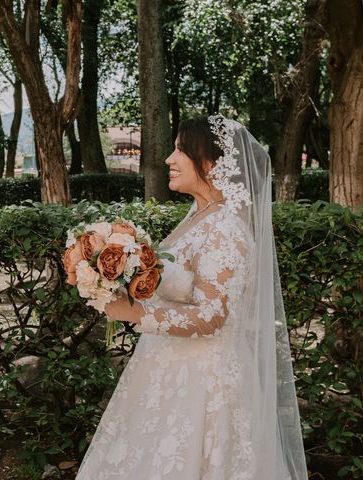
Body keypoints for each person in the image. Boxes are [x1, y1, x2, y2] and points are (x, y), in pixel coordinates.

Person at [75, 116, 308, 479]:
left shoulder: (226, 229)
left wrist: (135, 314)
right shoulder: (200, 217)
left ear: (211, 164)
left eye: (180, 149)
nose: (169, 158)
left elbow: (212, 317)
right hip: (167, 368)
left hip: (204, 383)